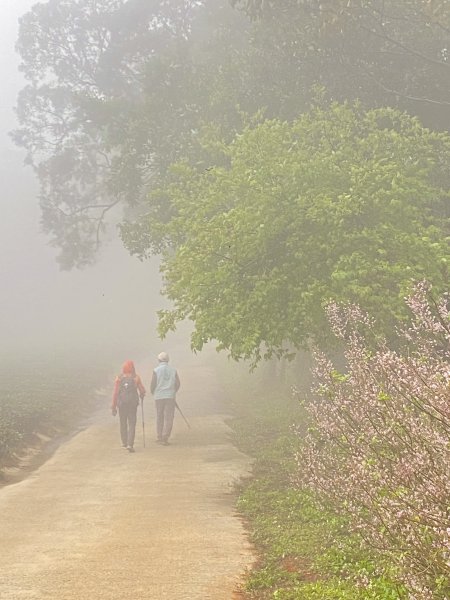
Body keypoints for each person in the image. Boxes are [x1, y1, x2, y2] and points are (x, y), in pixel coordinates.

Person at [111, 360, 146, 452]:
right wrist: (142, 394)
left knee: (123, 423)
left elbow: (115, 393)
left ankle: (124, 442)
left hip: (121, 404)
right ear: (132, 367)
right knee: (132, 423)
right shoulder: (136, 377)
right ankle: (130, 444)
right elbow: (142, 390)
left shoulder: (119, 378)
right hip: (132, 404)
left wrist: (113, 406)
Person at [150, 352, 180, 445]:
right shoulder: (173, 370)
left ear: (158, 360)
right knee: (169, 417)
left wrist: (153, 392)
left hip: (159, 396)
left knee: (160, 416)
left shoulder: (156, 370)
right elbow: (178, 384)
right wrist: (172, 392)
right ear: (168, 360)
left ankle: (159, 436)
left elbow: (153, 384)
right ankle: (165, 437)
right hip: (170, 396)